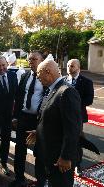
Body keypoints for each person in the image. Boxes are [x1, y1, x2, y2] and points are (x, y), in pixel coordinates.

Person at [27, 59, 81, 187]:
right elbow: (53, 120)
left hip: (59, 159)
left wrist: (66, 157)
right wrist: (39, 131)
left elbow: (73, 128)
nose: (38, 79)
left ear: (48, 72)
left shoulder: (66, 92)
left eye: (39, 76)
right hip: (49, 154)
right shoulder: (53, 89)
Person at [10, 51, 45, 187]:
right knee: (20, 150)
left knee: (40, 152)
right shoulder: (24, 76)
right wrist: (15, 117)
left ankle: (40, 182)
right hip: (23, 118)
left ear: (41, 60)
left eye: (34, 59)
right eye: (29, 59)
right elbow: (18, 98)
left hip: (38, 121)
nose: (31, 62)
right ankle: (19, 178)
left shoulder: (46, 77)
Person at [63, 58, 94, 171]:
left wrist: (75, 103)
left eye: (72, 66)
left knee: (76, 140)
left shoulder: (87, 82)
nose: (69, 68)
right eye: (68, 66)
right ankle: (64, 159)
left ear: (78, 68)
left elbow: (89, 99)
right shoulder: (63, 80)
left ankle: (77, 164)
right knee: (64, 139)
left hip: (77, 117)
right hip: (63, 116)